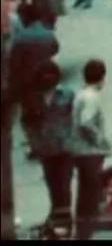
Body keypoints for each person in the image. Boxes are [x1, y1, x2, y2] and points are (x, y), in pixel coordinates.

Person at [21, 61, 75, 231]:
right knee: (52, 184)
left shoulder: (67, 95)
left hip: (65, 147)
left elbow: (75, 118)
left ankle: (64, 219)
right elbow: (27, 123)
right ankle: (56, 216)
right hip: (45, 148)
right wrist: (34, 143)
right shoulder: (32, 99)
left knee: (64, 184)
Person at [68, 59, 111, 222]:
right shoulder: (92, 97)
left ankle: (82, 225)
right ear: (102, 77)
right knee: (93, 193)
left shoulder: (81, 94)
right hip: (90, 152)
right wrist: (99, 139)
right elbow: (86, 122)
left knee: (85, 192)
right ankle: (92, 224)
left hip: (79, 150)